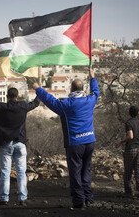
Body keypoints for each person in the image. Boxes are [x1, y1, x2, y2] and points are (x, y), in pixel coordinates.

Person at [32, 68, 100, 209]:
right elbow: (96, 91)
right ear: (82, 88)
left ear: (71, 88)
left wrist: (38, 89)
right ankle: (88, 198)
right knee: (86, 171)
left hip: (75, 143)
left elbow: (50, 100)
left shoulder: (66, 105)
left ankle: (78, 201)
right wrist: (92, 77)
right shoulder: (90, 100)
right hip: (90, 141)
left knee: (75, 173)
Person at [116, 106, 139, 197]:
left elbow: (130, 136)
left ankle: (129, 191)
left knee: (128, 170)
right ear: (138, 113)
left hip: (131, 148)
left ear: (129, 113)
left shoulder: (129, 123)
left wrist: (121, 142)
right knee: (137, 170)